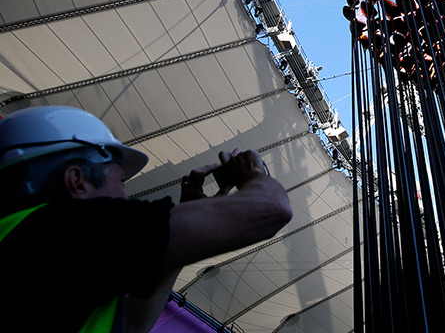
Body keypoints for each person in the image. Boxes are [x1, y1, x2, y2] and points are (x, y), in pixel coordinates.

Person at [0, 106, 293, 333]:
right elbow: (272, 208)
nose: (126, 197)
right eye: (121, 181)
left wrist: (179, 243)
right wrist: (254, 174)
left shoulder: (26, 239)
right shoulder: (66, 229)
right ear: (77, 181)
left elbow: (132, 324)